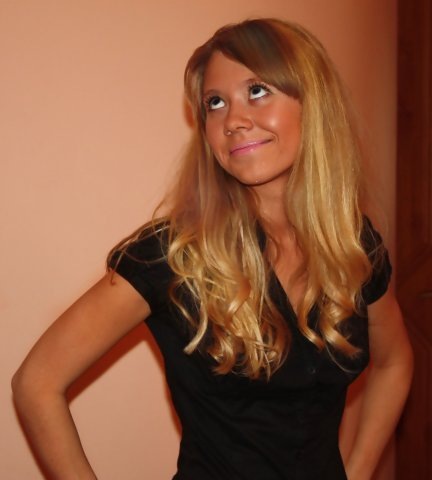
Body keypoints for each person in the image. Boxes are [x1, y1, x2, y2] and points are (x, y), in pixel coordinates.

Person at [12, 18, 413, 480]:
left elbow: (395, 361)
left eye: (257, 91)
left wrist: (358, 471)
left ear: (314, 104)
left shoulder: (353, 245)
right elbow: (36, 383)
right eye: (215, 103)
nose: (233, 120)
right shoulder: (172, 255)